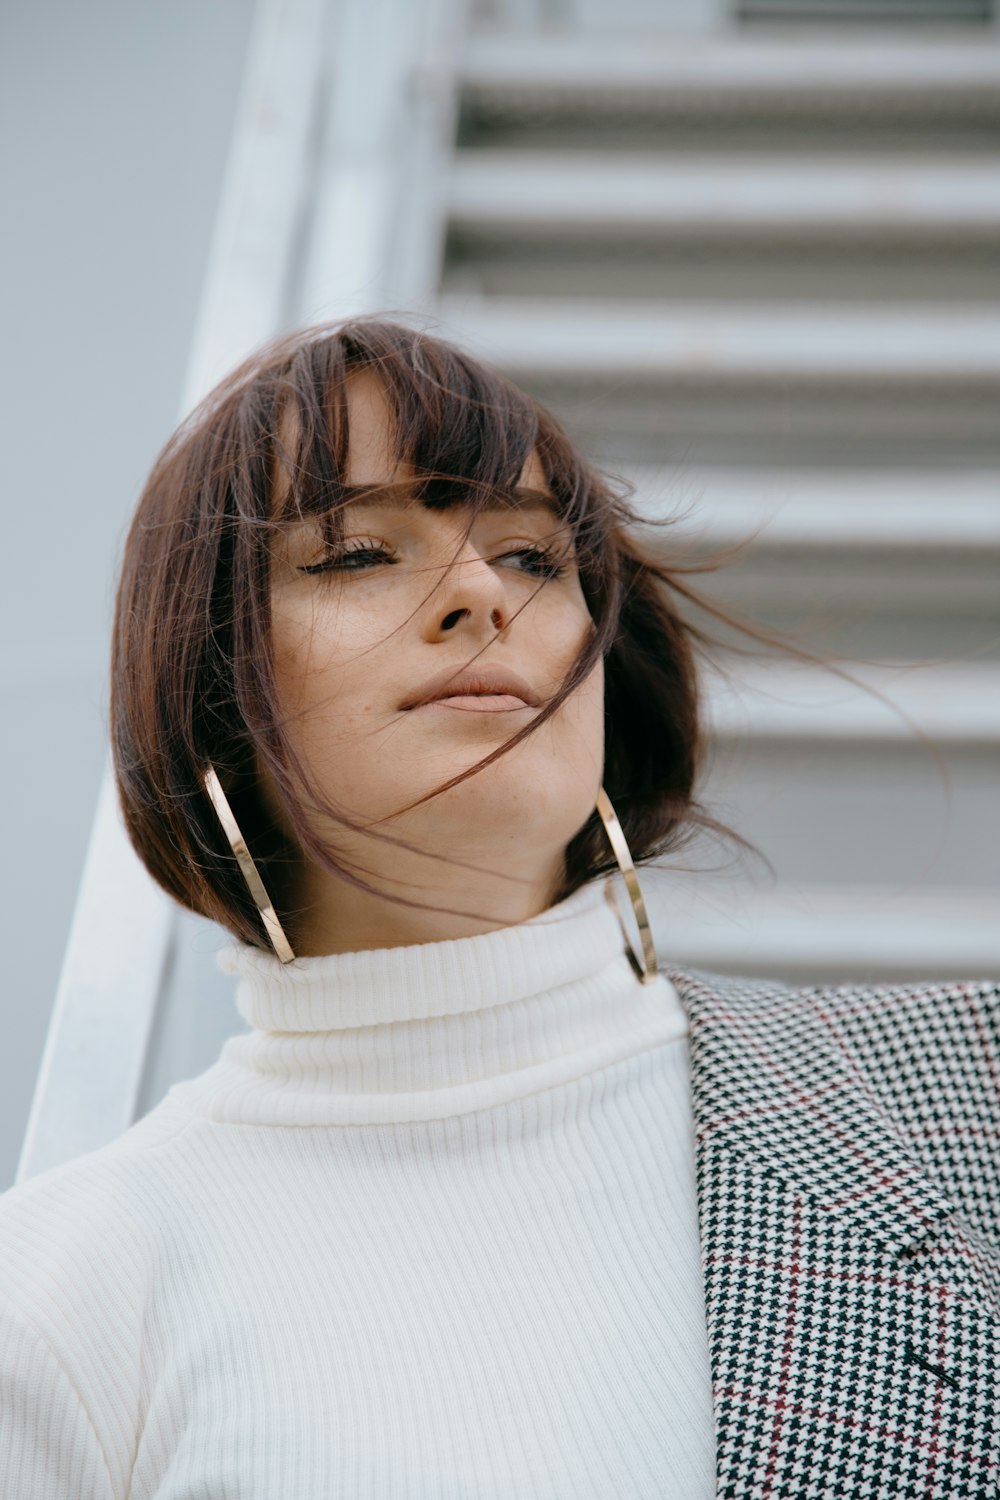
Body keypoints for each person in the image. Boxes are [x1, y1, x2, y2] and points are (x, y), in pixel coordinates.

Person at [0, 319, 995, 1500]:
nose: (479, 594)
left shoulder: (957, 1094)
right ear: (212, 683)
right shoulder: (66, 1286)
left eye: (532, 556)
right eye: (359, 551)